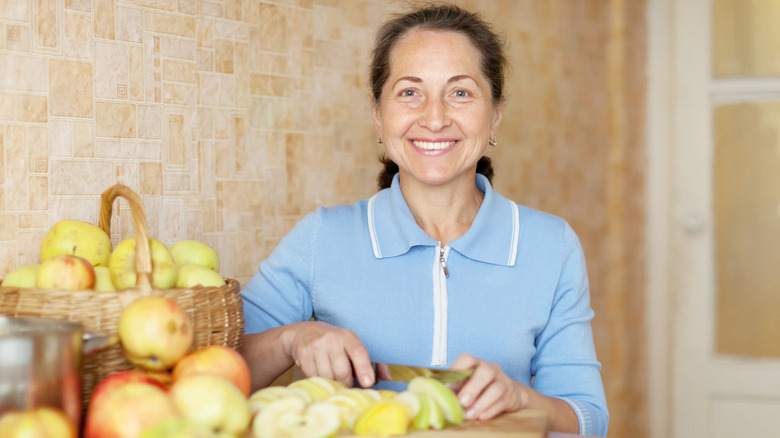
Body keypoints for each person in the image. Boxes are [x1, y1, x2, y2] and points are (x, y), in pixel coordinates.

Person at [240, 3, 608, 436]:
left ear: (495, 115)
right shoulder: (322, 237)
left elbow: (589, 418)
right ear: (378, 113)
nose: (434, 119)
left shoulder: (551, 245)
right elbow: (217, 374)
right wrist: (291, 339)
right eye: (410, 92)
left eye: (461, 92)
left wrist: (521, 398)